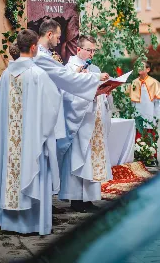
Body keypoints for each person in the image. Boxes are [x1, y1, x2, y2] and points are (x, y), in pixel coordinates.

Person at [0, 29, 61, 235]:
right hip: (30, 142)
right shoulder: (38, 75)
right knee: (32, 168)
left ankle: (8, 222)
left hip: (10, 145)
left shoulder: (5, 75)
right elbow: (52, 107)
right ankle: (31, 223)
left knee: (10, 170)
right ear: (34, 47)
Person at [58, 35, 113, 213]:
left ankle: (88, 198)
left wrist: (107, 90)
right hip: (80, 122)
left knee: (91, 161)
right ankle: (76, 199)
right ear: (78, 49)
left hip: (94, 120)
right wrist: (91, 93)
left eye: (94, 50)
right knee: (79, 159)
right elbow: (68, 97)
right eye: (89, 49)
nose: (91, 53)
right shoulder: (70, 69)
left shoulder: (95, 68)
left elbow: (100, 93)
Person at [128, 60, 160, 140]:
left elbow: (157, 102)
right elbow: (132, 101)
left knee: (149, 137)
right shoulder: (134, 82)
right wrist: (131, 114)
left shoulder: (154, 83)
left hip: (150, 113)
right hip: (138, 114)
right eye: (138, 66)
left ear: (148, 69)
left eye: (142, 66)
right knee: (138, 137)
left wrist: (156, 117)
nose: (139, 68)